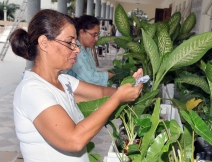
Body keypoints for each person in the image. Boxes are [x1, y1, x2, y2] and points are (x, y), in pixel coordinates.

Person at [10, 9, 143, 162]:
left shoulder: (65, 81)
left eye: (76, 43)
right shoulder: (32, 90)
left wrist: (129, 88)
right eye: (69, 43)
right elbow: (73, 140)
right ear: (44, 43)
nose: (77, 49)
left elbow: (101, 93)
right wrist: (119, 97)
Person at [66, 15, 115, 86]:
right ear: (82, 32)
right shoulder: (75, 51)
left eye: (97, 35)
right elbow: (91, 78)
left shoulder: (87, 49)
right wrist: (114, 75)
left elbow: (91, 71)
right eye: (94, 35)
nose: (96, 39)